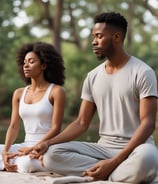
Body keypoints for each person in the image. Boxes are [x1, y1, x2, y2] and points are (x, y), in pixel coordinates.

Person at [31, 12, 158, 183]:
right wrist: (48, 142)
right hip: (103, 149)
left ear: (116, 37)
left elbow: (148, 123)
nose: (93, 41)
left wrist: (115, 161)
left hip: (136, 149)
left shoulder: (143, 72)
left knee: (149, 157)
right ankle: (114, 173)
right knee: (52, 155)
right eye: (93, 36)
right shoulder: (93, 76)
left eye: (99, 36)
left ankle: (106, 171)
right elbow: (81, 122)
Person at [0, 42, 65, 173]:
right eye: (24, 62)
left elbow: (56, 128)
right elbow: (13, 126)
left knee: (26, 164)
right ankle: (9, 160)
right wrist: (6, 152)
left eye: (31, 61)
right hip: (25, 145)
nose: (26, 65)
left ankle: (17, 162)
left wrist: (34, 148)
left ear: (44, 65)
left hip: (46, 147)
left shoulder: (56, 91)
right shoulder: (19, 93)